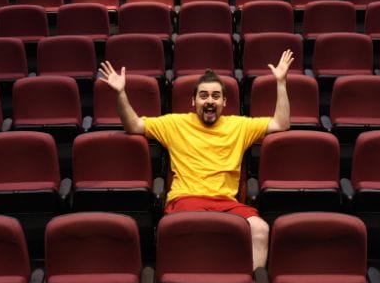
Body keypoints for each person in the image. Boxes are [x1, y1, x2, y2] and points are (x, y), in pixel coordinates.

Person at [99, 50, 294, 270]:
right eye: (203, 95)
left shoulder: (240, 125)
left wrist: (281, 82)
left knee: (260, 229)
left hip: (226, 203)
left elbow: (281, 124)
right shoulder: (175, 123)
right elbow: (134, 125)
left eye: (215, 96)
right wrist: (120, 93)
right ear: (193, 101)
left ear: (224, 101)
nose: (209, 100)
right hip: (186, 199)